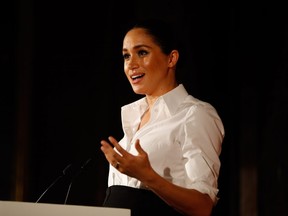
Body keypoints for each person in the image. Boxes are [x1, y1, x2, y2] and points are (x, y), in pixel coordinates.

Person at [100, 18, 225, 216]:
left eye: (142, 53)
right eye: (126, 56)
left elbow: (203, 206)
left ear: (171, 58)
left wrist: (147, 176)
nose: (131, 64)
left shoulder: (195, 115)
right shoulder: (132, 123)